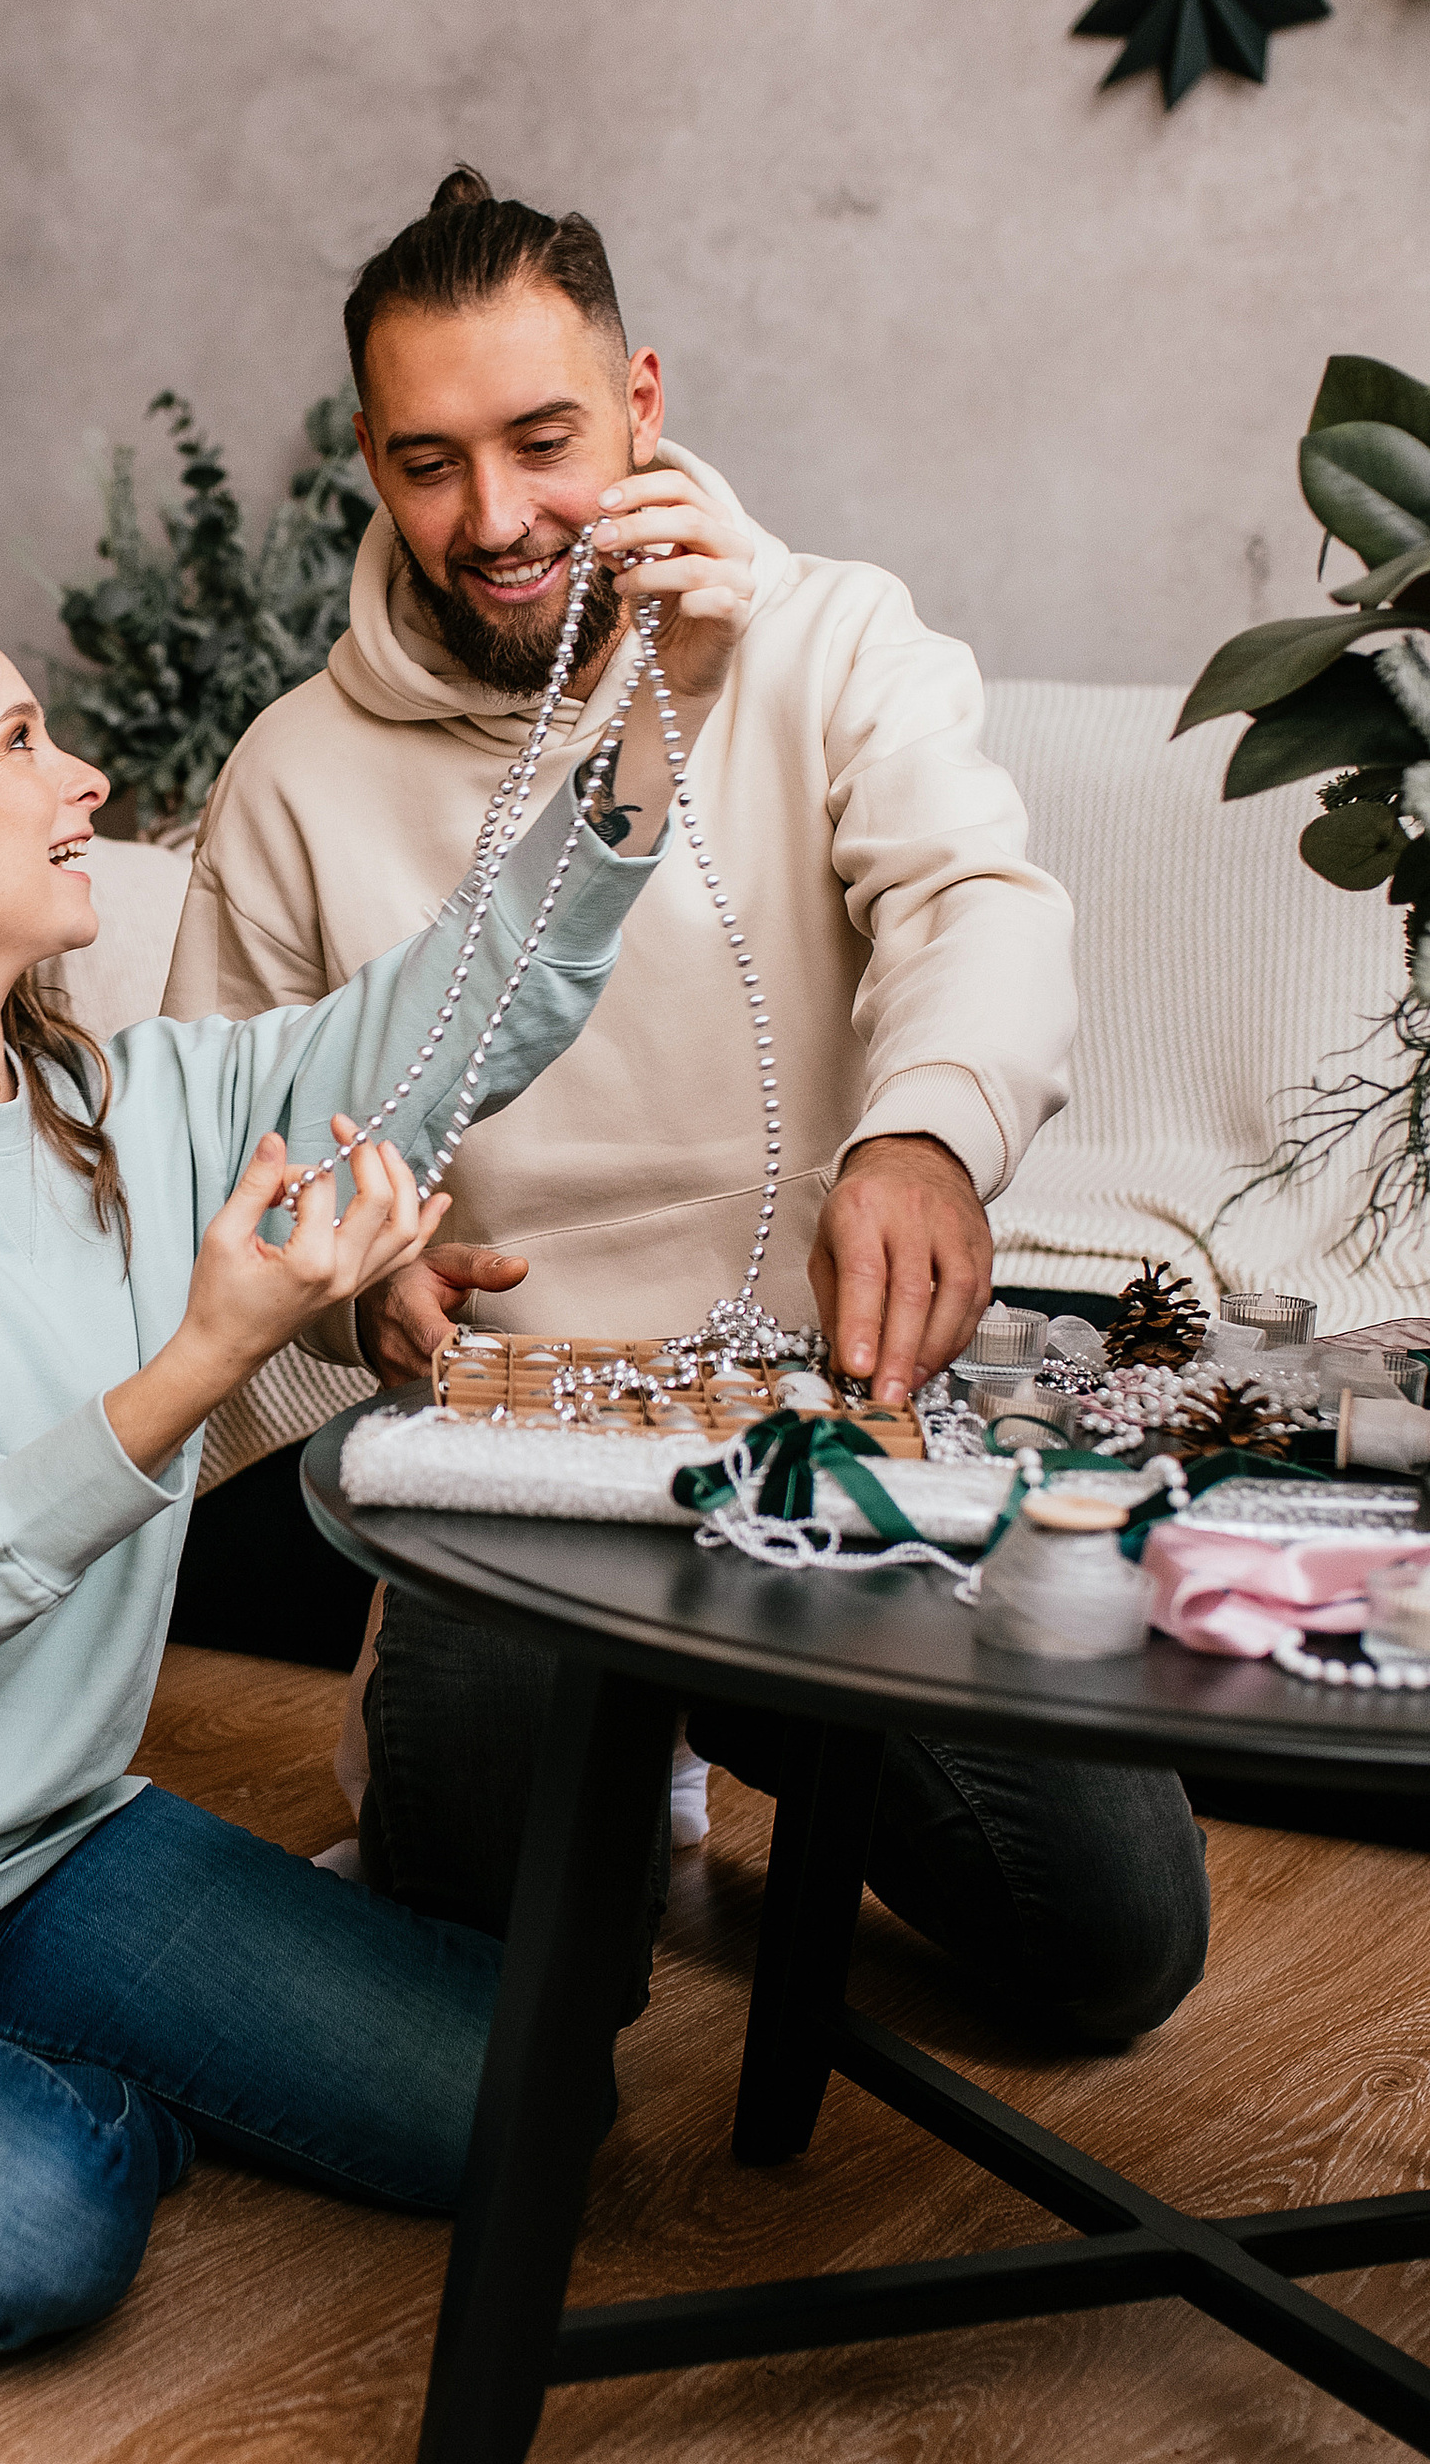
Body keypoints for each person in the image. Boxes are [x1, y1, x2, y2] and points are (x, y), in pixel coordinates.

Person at [0, 536, 749, 2353]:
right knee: (32, 2229)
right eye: (22, 746)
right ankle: (13, 2090)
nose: (86, 781)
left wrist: (663, 710)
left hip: (45, 1849)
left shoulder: (127, 1107)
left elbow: (458, 1012)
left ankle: (6, 2049)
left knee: (535, 2091)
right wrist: (210, 1353)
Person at [163, 169, 1210, 2049]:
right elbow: (231, 1151)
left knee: (1112, 1954)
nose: (493, 519)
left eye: (544, 440)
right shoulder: (295, 775)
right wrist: (350, 1288)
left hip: (829, 1433)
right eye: (427, 462)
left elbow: (977, 905)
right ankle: (607, 1749)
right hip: (506, 1480)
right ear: (369, 463)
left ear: (641, 400)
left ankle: (720, 1721)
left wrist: (927, 1137)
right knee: (500, 1998)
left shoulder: (831, 642)